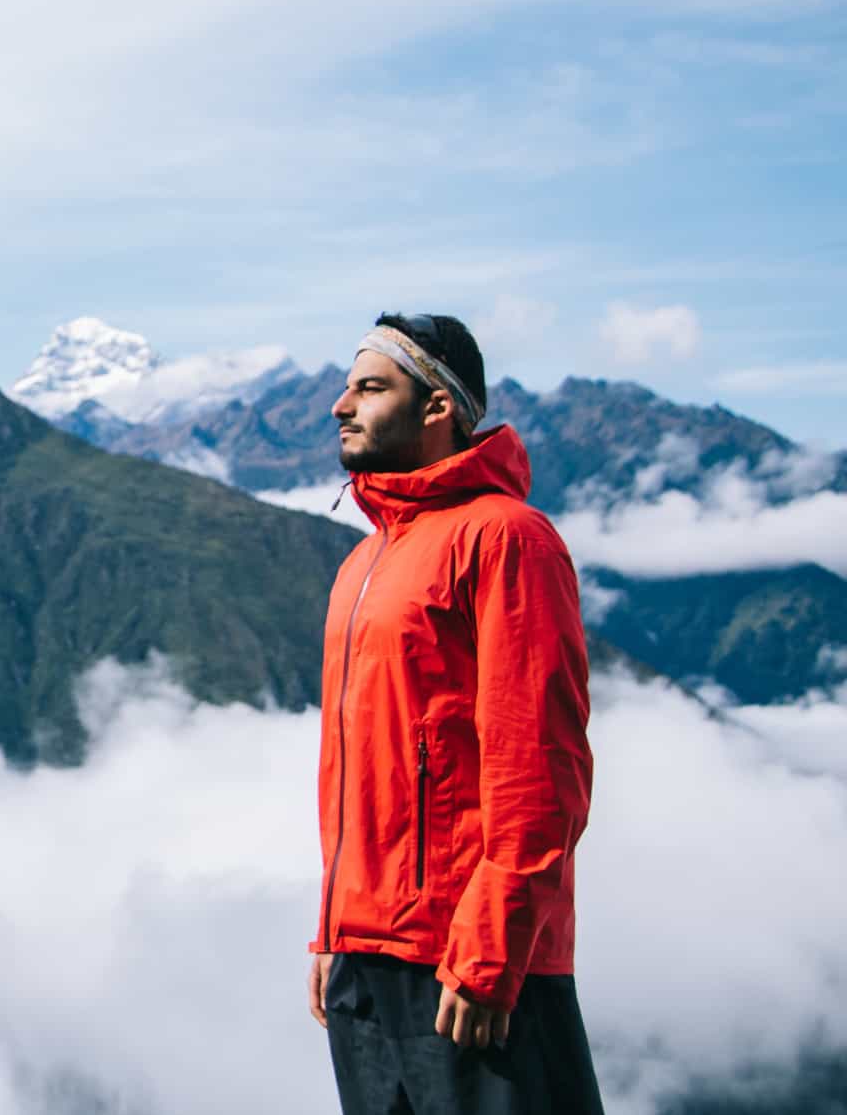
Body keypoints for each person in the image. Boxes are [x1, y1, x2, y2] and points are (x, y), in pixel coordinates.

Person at [306, 313, 603, 1114]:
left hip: (469, 962)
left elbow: (540, 765)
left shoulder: (508, 539)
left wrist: (491, 950)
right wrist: (336, 930)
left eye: (370, 387)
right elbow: (358, 771)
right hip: (367, 962)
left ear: (437, 407)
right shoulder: (365, 559)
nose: (342, 404)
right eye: (347, 386)